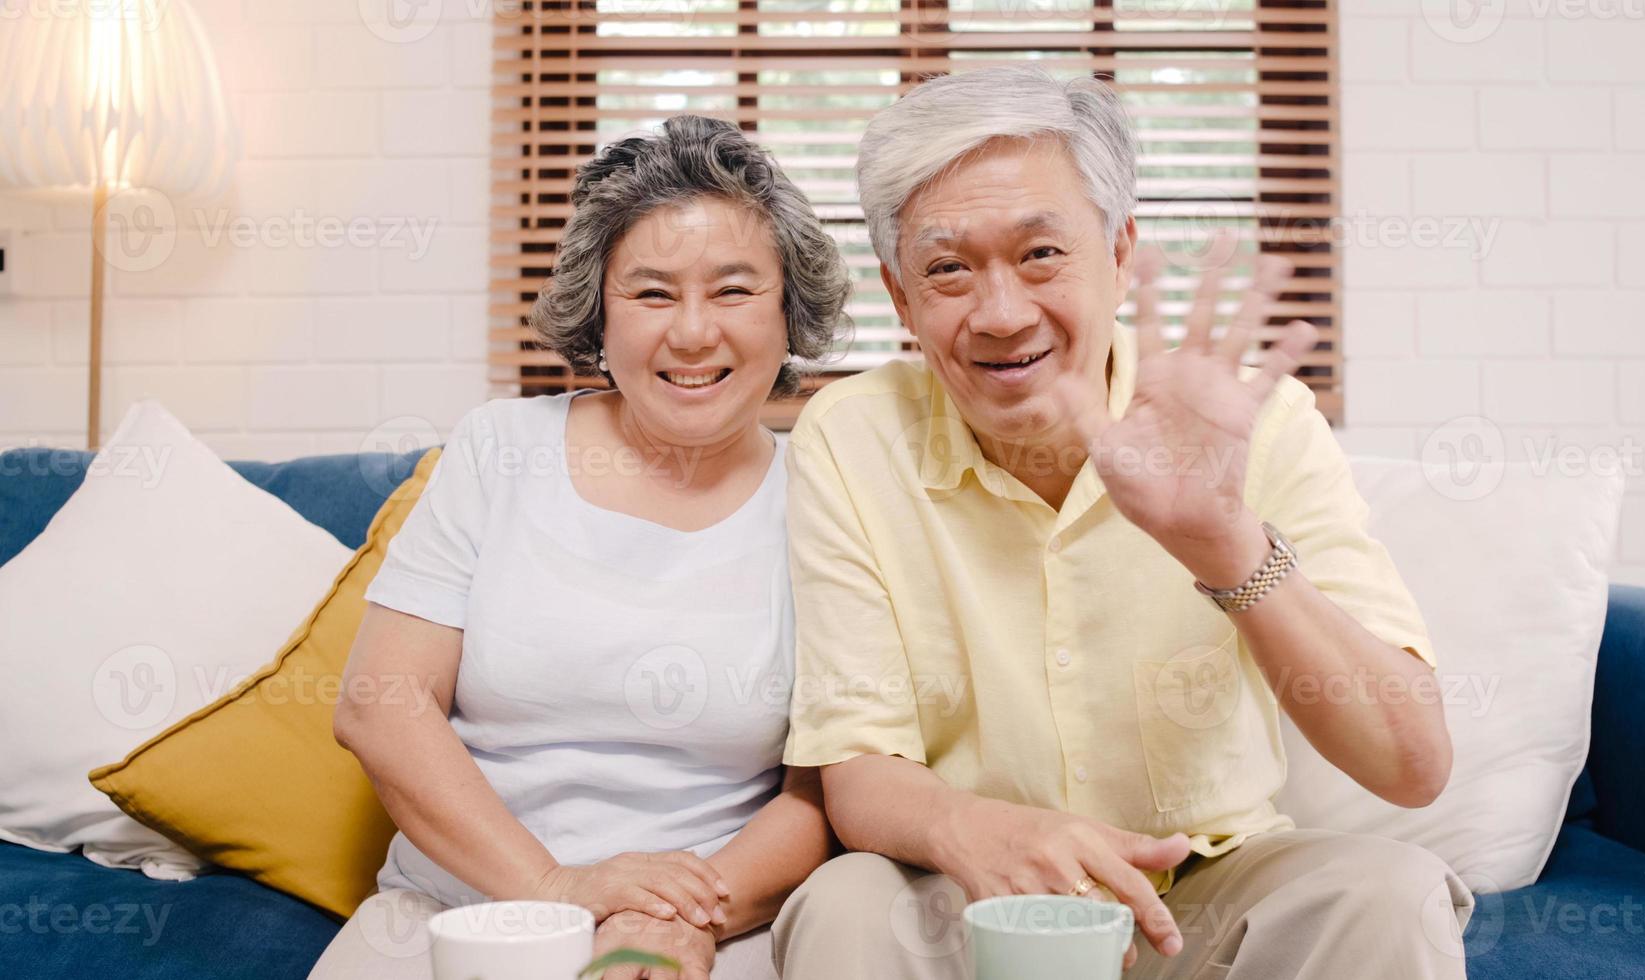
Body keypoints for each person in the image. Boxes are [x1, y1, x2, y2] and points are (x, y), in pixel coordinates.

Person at [772, 66, 1474, 979]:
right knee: (847, 902)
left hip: (1211, 888)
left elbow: (1411, 765)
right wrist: (982, 832)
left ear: (1118, 253)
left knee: (1389, 891)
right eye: (947, 269)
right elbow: (859, 765)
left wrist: (1222, 540)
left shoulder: (1255, 422)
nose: (1001, 312)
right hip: (973, 888)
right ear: (901, 298)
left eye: (1041, 254)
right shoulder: (852, 435)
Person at [308, 115, 849, 980]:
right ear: (599, 313)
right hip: (464, 909)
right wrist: (558, 890)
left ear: (791, 312)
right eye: (652, 292)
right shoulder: (499, 447)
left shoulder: (829, 496)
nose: (694, 332)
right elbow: (381, 705)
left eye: (735, 290)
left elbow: (820, 794)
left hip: (713, 924)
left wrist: (676, 922)